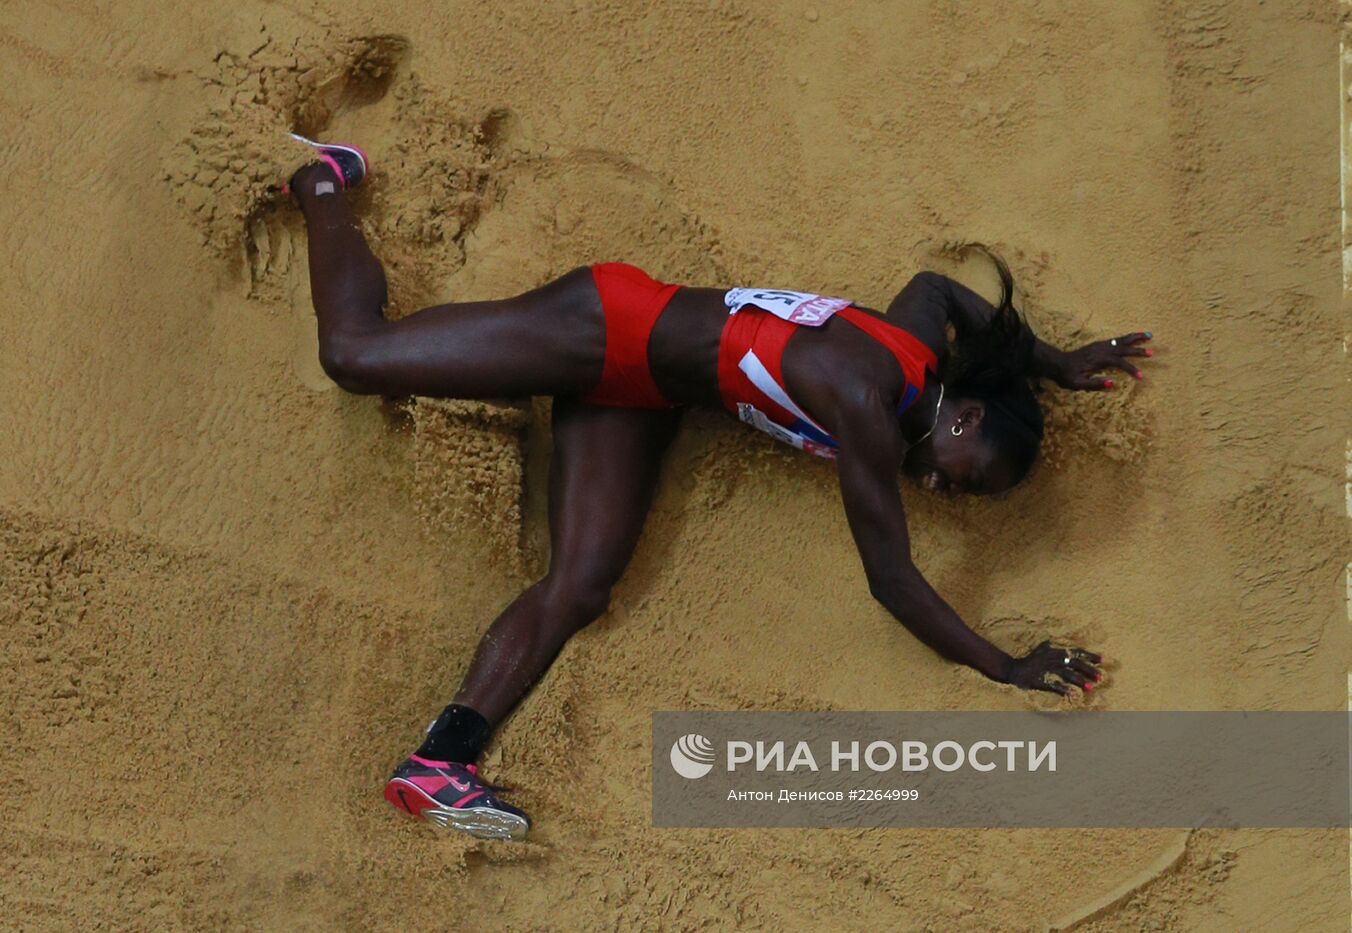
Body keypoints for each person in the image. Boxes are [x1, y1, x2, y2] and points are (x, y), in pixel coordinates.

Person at [284, 137, 1152, 840]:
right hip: (606, 326)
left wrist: (1059, 363)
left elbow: (938, 291)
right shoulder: (870, 405)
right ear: (963, 422)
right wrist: (1006, 666)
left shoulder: (914, 348)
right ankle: (323, 182)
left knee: (581, 585)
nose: (945, 491)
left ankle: (441, 761)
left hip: (648, 394)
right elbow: (891, 579)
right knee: (356, 357)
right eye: (970, 483)